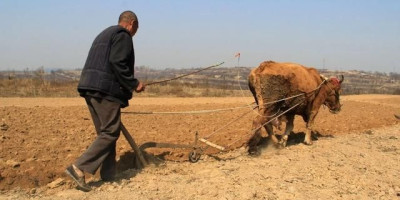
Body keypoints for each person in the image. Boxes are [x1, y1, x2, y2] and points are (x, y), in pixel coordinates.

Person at [65, 10, 145, 192]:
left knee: (105, 133)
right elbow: (118, 63)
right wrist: (134, 84)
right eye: (136, 29)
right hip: (105, 90)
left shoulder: (104, 34)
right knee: (110, 132)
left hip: (90, 87)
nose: (135, 33)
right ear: (131, 24)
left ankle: (109, 175)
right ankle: (78, 168)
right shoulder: (123, 35)